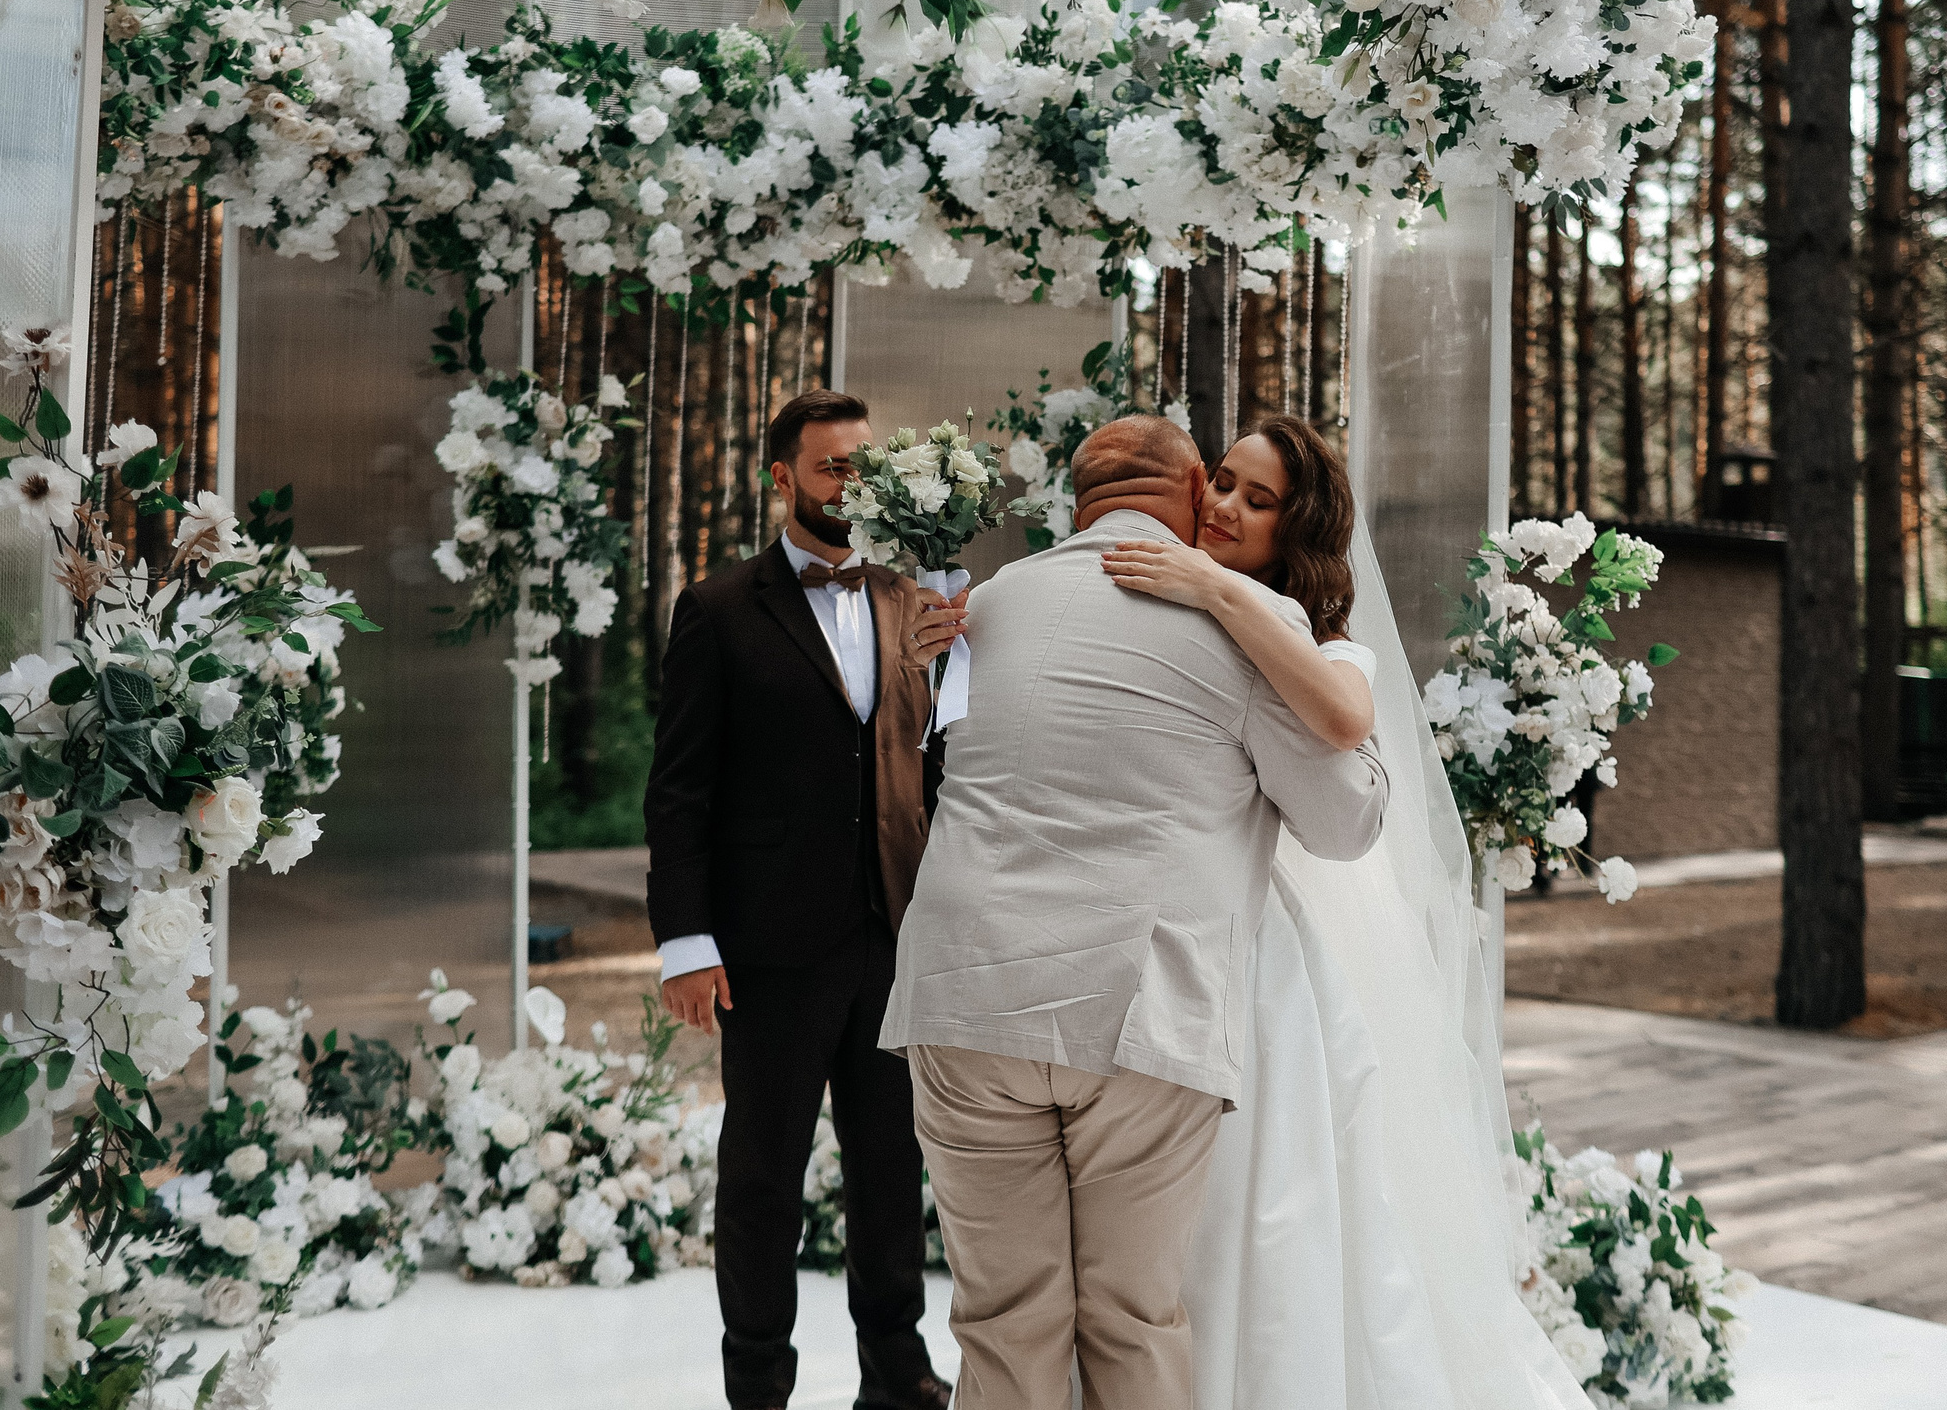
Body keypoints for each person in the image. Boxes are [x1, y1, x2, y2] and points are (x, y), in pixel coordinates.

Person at [879, 414, 1392, 1410]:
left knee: (1001, 1326)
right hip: (1132, 1007)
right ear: (1193, 484)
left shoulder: (986, 604)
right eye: (1224, 486)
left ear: (1074, 498)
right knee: (1130, 1321)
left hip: (963, 996)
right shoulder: (1243, 617)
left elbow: (954, 761)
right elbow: (1343, 824)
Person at [1101, 414, 1596, 1410]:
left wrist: (1214, 589)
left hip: (1267, 957)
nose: (1226, 508)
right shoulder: (1161, 603)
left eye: (1257, 498)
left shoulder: (1324, 647)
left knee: (1278, 1205)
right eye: (1222, 484)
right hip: (1152, 938)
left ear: (1298, 529)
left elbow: (1339, 720)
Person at [643, 388, 963, 1410]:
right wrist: (686, 940)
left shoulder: (918, 605)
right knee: (763, 1183)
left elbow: (945, 766)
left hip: (893, 937)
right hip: (771, 947)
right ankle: (758, 1387)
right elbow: (680, 789)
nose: (850, 486)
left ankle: (897, 1377)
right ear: (781, 478)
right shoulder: (720, 610)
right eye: (831, 468)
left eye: (864, 467)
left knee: (889, 1176)